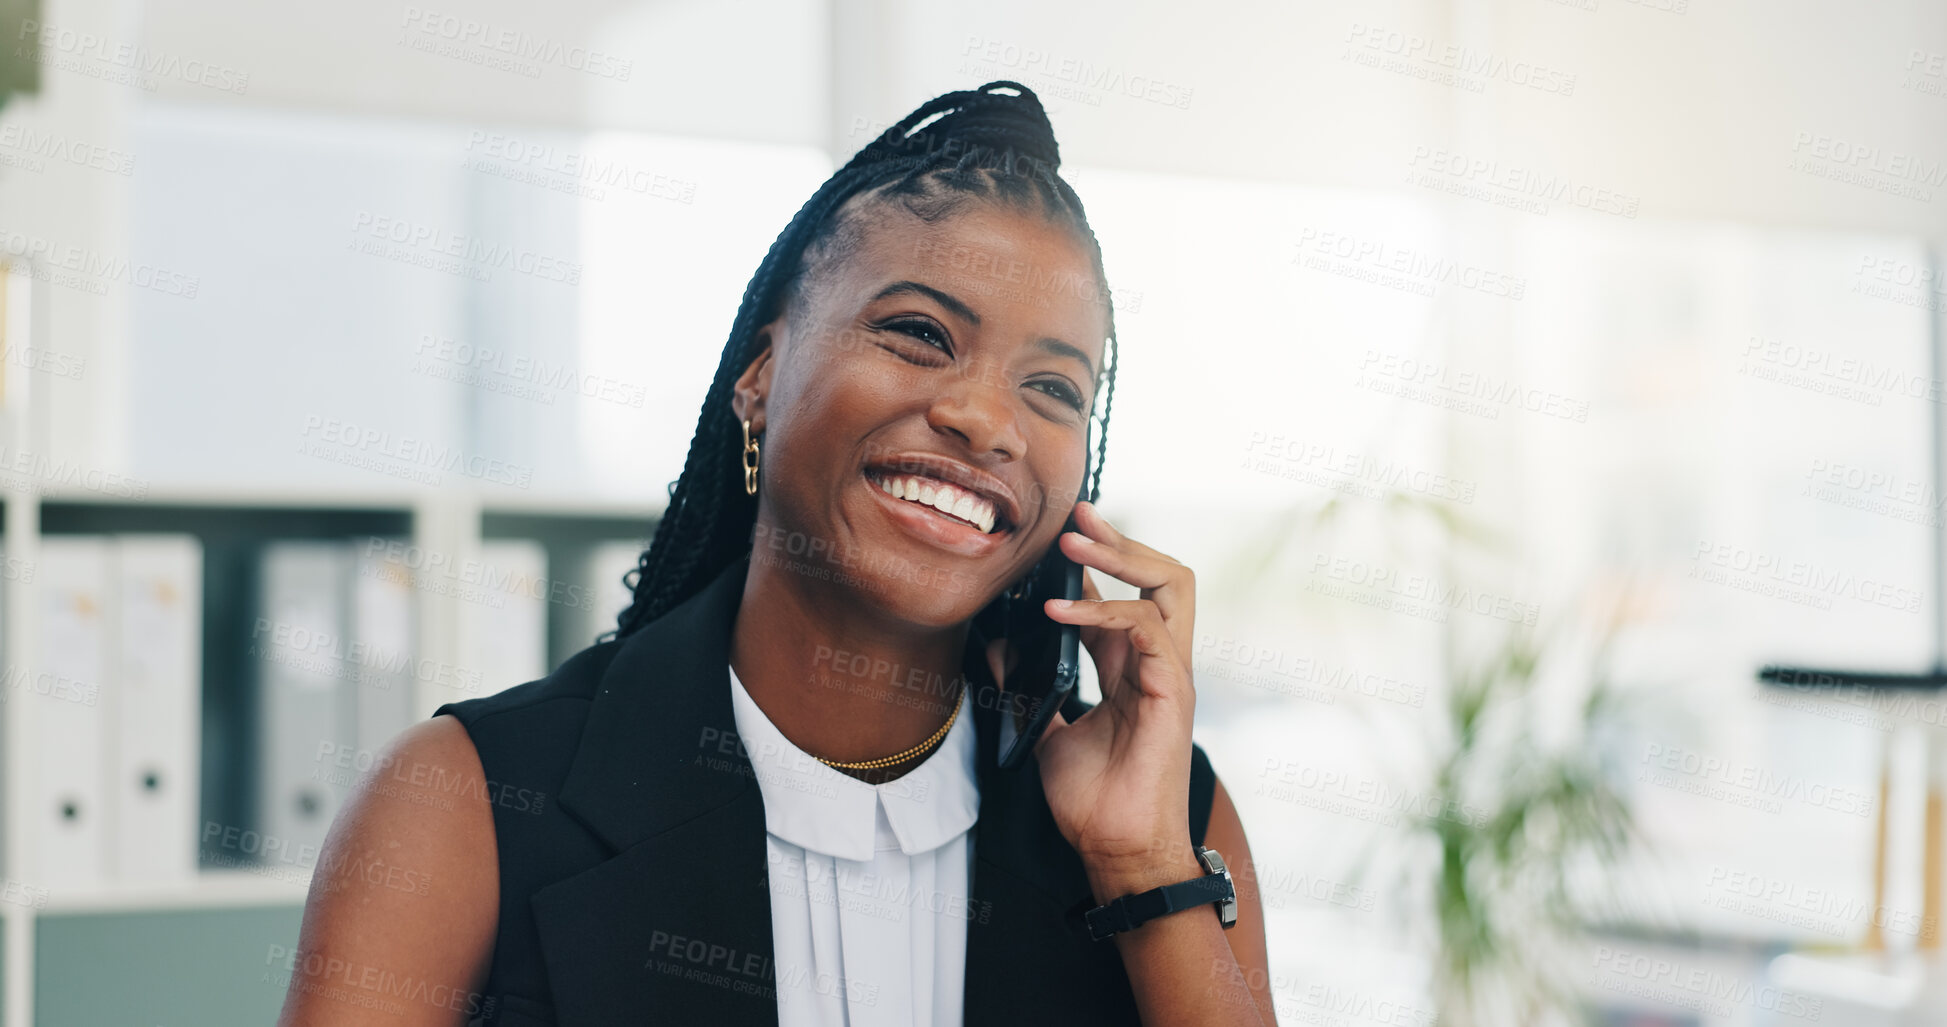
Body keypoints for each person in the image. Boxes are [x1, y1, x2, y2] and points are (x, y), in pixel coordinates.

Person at [278, 80, 1274, 1026]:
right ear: (758, 376)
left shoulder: (1168, 817)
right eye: (920, 332)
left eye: (1054, 389)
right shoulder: (462, 803)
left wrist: (1145, 868)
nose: (986, 421)